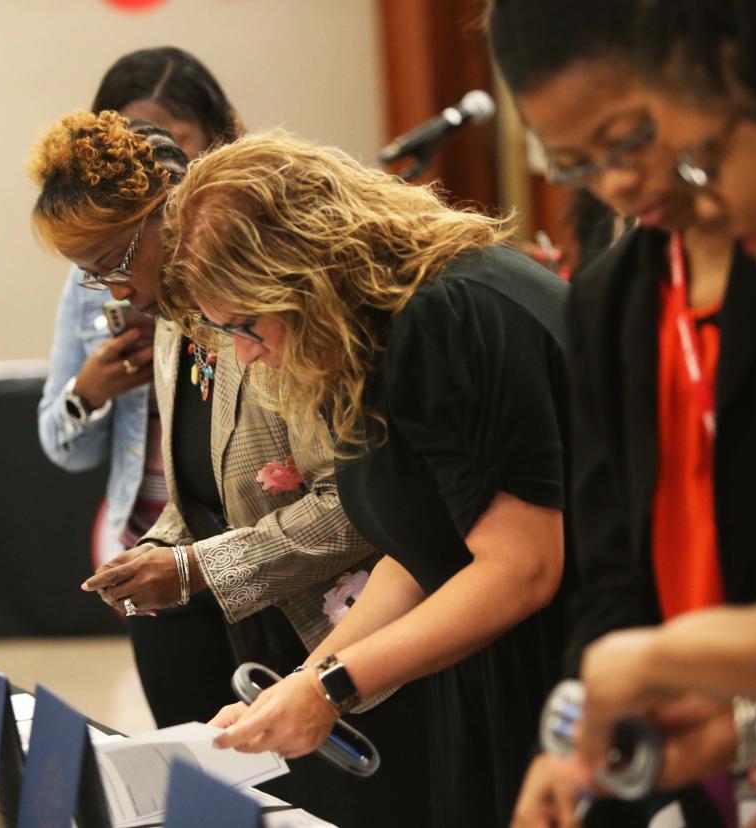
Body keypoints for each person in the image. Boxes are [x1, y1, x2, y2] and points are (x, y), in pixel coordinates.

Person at [484, 2, 756, 826]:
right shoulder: (614, 296)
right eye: (576, 165)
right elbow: (613, 571)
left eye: (638, 141)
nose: (618, 183)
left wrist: (674, 668)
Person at [159, 129, 572, 826]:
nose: (247, 356)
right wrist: (302, 681)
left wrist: (330, 689)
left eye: (248, 326)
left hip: (570, 679)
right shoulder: (376, 338)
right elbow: (421, 552)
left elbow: (520, 567)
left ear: (303, 277)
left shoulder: (451, 317)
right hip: (493, 679)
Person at [29, 111, 427, 827]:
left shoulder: (266, 307)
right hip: (260, 647)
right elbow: (199, 485)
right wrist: (159, 548)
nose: (116, 292)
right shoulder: (168, 323)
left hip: (363, 646)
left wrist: (195, 570)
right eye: (94, 278)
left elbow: (355, 505)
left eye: (117, 263)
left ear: (168, 215)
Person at [36, 48, 246, 729]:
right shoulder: (99, 275)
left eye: (162, 150)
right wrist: (86, 392)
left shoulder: (245, 279)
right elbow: (61, 444)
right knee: (193, 748)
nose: (115, 284)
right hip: (158, 537)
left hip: (248, 541)